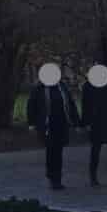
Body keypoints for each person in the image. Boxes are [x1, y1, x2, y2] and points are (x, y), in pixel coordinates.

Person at [26, 62, 80, 190]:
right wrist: (32, 123)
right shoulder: (39, 88)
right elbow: (31, 106)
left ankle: (57, 178)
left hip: (61, 124)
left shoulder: (62, 87)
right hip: (47, 126)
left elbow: (70, 104)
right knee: (51, 151)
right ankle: (52, 177)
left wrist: (76, 122)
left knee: (58, 152)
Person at [81, 62, 107, 188]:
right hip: (97, 123)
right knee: (96, 151)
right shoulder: (88, 86)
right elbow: (86, 106)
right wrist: (86, 122)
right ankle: (94, 176)